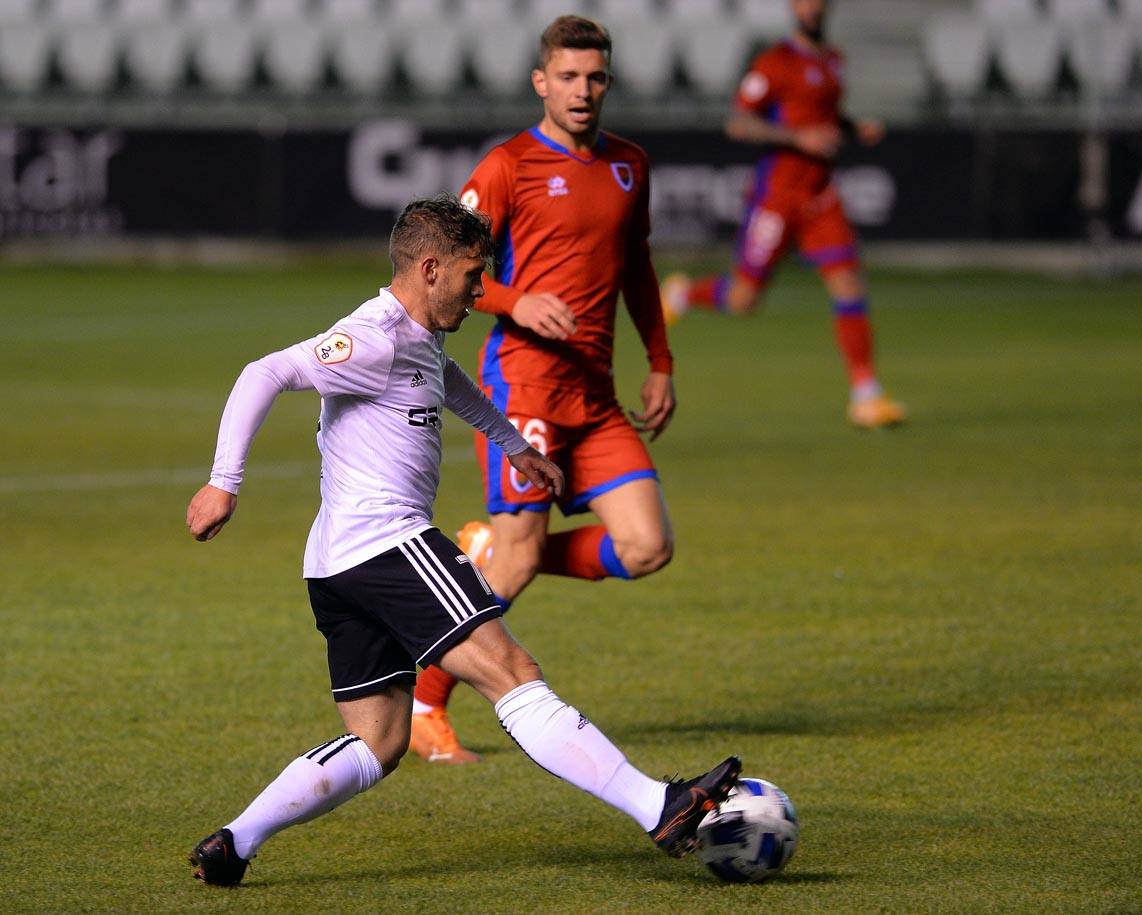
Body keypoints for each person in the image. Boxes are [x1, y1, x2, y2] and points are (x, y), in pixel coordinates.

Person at [184, 195, 740, 886]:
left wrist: (512, 444)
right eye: (473, 276)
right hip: (389, 544)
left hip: (335, 566)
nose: (482, 292)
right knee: (513, 674)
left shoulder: (420, 337)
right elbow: (263, 372)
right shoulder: (372, 336)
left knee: (379, 742)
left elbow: (446, 381)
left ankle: (236, 841)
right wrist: (223, 482)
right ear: (429, 268)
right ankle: (660, 805)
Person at [408, 16, 679, 764]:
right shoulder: (507, 166)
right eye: (567, 76)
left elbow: (638, 268)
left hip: (595, 394)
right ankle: (427, 704)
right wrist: (512, 300)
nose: (581, 90)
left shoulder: (629, 165)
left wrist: (660, 359)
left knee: (647, 545)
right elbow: (442, 261)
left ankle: (489, 548)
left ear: (607, 82)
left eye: (593, 77)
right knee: (520, 562)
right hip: (520, 385)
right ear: (541, 82)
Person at [660, 0, 906, 430]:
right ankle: (683, 294)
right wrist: (798, 138)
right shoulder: (774, 63)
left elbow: (825, 116)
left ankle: (866, 396)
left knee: (848, 283)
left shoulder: (834, 61)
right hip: (777, 197)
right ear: (794, 8)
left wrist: (853, 128)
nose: (812, 8)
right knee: (743, 300)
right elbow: (738, 123)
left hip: (821, 196)